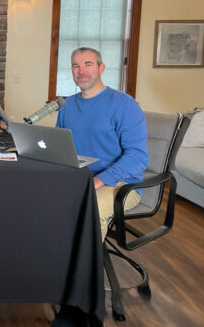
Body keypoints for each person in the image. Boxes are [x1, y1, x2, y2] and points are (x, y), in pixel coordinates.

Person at [55, 47, 148, 241]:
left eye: (88, 64)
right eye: (75, 66)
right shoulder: (66, 106)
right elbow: (59, 148)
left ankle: (85, 271)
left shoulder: (125, 105)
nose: (81, 71)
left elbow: (138, 157)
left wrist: (99, 180)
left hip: (120, 184)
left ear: (101, 68)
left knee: (90, 207)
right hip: (80, 179)